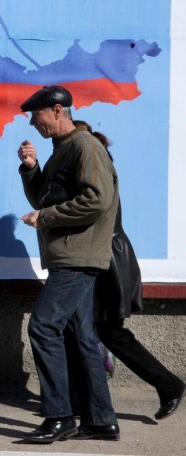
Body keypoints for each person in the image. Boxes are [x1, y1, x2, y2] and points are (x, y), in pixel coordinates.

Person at [16, 85, 120, 443]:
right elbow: (44, 198)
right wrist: (31, 169)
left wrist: (45, 217)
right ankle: (100, 421)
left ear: (57, 111)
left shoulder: (85, 146)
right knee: (81, 336)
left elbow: (97, 200)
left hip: (77, 255)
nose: (33, 123)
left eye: (36, 115)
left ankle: (59, 416)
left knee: (43, 327)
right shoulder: (63, 149)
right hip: (71, 253)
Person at [64, 121, 186, 421]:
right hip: (103, 254)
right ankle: (78, 400)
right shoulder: (89, 167)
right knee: (84, 328)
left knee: (107, 331)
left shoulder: (94, 169)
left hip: (107, 259)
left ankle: (169, 384)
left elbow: (90, 212)